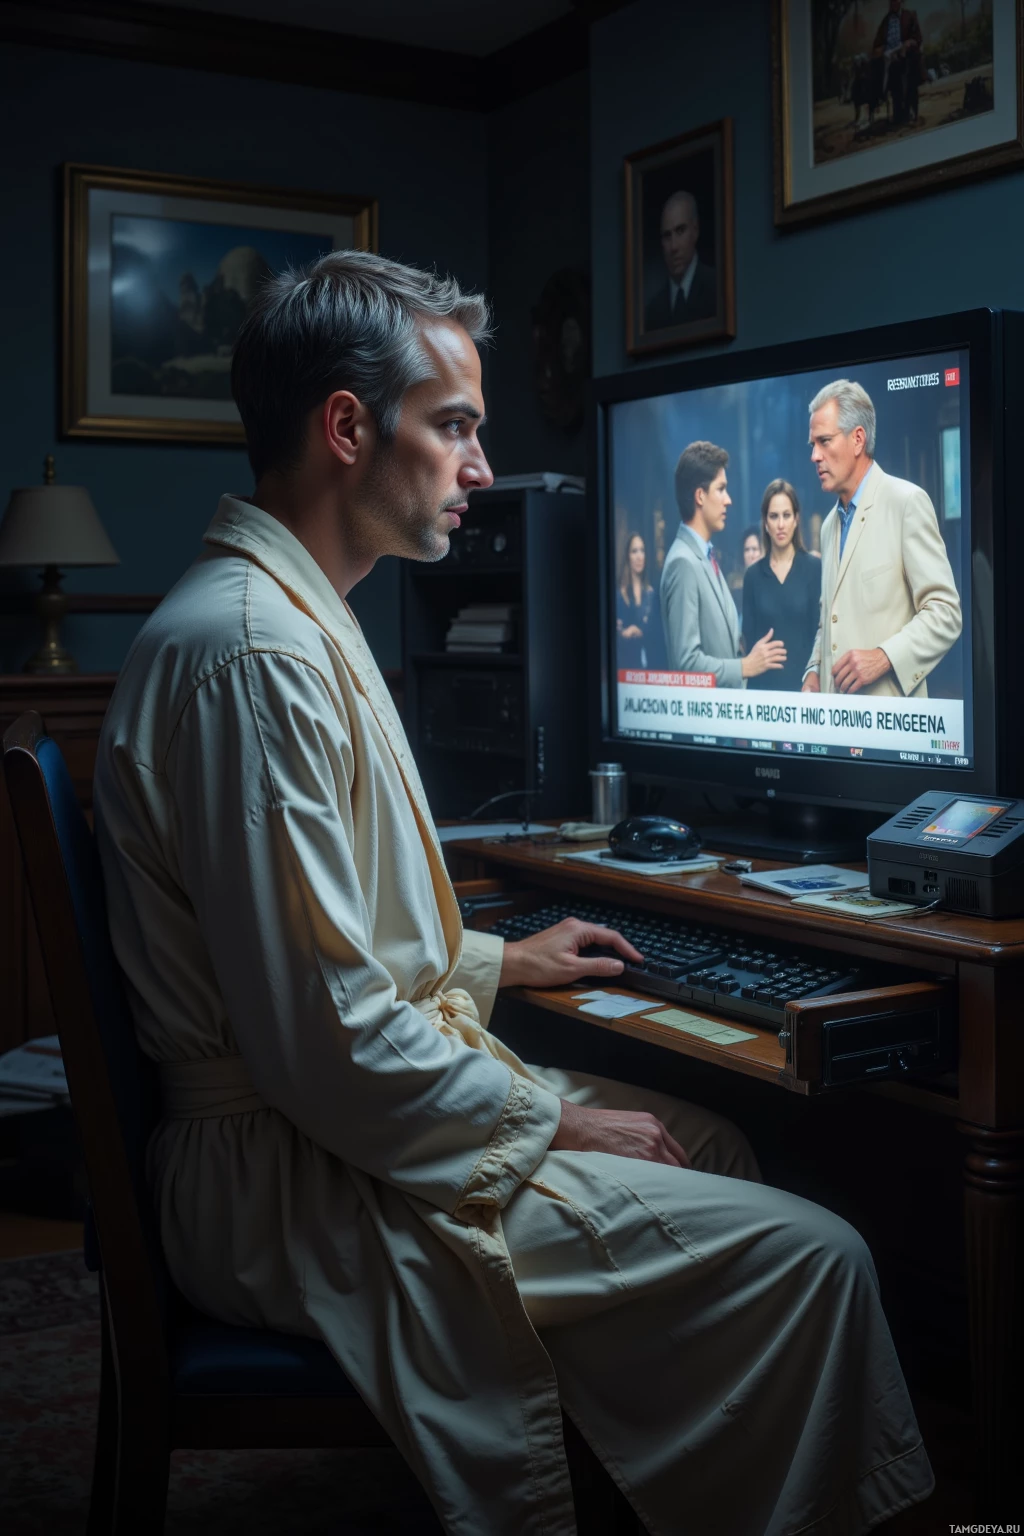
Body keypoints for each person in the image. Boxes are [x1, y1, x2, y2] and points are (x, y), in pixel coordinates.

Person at [93, 252, 934, 1535]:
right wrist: (547, 1122)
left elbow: (315, 960)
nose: (482, 468)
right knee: (820, 1257)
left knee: (711, 1143)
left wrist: (501, 962)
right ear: (346, 428)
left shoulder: (293, 618)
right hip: (288, 1177)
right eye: (455, 427)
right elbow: (324, 1038)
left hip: (324, 1116)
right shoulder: (256, 655)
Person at [802, 379, 962, 697]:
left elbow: (946, 613)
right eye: (812, 445)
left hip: (892, 719)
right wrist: (814, 671)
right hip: (836, 719)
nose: (815, 456)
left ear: (858, 439)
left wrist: (884, 657)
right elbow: (829, 620)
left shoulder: (907, 503)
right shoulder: (828, 526)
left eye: (824, 441)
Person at [660, 440, 787, 686]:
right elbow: (686, 665)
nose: (728, 500)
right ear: (700, 496)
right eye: (721, 489)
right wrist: (745, 666)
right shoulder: (683, 563)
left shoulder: (705, 557)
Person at [742, 480, 822, 692]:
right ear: (765, 523)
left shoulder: (815, 569)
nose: (780, 524)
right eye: (774, 516)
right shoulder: (752, 576)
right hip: (763, 690)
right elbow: (748, 640)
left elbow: (821, 634)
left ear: (796, 519)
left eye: (786, 515)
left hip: (805, 690)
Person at [644, 191, 717, 330]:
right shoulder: (652, 310)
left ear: (695, 231)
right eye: (667, 235)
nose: (673, 247)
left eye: (680, 231)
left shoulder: (717, 288)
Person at [872, 0, 924, 126]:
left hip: (906, 55)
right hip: (890, 57)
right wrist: (882, 50)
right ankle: (897, 114)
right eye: (891, 1)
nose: (893, 3)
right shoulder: (886, 21)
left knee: (907, 77)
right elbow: (877, 44)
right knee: (887, 78)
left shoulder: (910, 16)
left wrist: (907, 44)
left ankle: (911, 112)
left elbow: (917, 38)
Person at [615, 530, 661, 668]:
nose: (639, 556)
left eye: (642, 551)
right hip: (625, 666)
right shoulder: (618, 596)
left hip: (649, 667)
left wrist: (640, 632)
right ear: (627, 556)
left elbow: (657, 635)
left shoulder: (651, 595)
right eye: (634, 551)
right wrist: (621, 633)